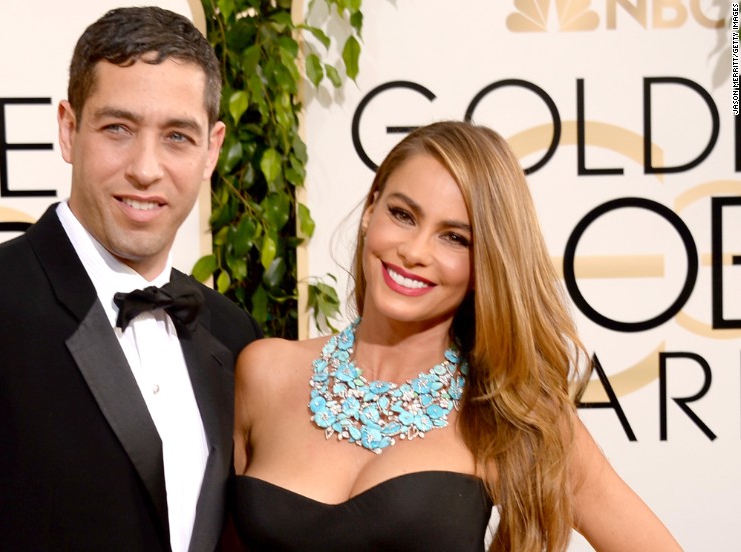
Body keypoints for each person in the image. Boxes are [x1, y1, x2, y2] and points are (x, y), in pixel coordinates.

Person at [0, 7, 262, 552]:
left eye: (177, 136)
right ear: (69, 128)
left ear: (212, 150)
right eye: (118, 129)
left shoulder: (232, 334)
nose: (146, 168)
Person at [230, 121, 682, 551]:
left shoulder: (508, 413)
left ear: (486, 265)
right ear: (370, 211)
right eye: (403, 215)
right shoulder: (265, 372)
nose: (414, 251)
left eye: (455, 238)